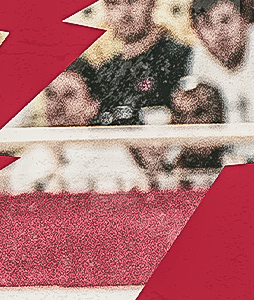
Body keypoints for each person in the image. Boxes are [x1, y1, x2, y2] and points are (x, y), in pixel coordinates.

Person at [11, 61, 148, 192]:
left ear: (92, 105)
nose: (58, 104)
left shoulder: (112, 155)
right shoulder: (32, 157)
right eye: (51, 94)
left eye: (69, 95)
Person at [187, 0, 254, 137]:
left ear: (244, 19)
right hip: (232, 148)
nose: (219, 33)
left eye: (225, 20)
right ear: (197, 32)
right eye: (208, 25)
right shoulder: (200, 55)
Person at [91, 0, 194, 126]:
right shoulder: (103, 73)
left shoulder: (182, 59)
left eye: (133, 1)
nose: (124, 14)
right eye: (114, 3)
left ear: (152, 3)